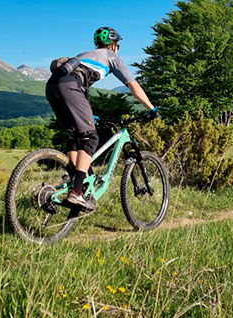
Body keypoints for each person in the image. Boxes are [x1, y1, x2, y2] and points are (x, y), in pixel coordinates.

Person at [45, 26, 156, 211]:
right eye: (118, 44)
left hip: (53, 86)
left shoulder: (85, 54)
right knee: (91, 138)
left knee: (75, 136)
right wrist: (151, 108)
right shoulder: (113, 57)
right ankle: (77, 192)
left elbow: (81, 84)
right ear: (113, 45)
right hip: (71, 87)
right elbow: (133, 86)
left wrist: (87, 113)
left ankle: (73, 179)